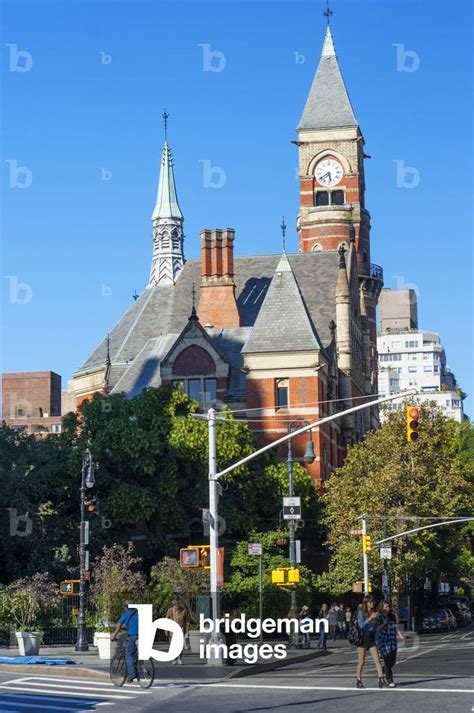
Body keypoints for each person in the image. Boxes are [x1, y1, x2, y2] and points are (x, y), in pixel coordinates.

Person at [355, 594, 385, 689]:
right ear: (366, 603)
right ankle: (358, 680)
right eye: (370, 602)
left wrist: (379, 619)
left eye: (373, 601)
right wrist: (370, 618)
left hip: (372, 638)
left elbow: (377, 626)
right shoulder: (361, 612)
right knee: (361, 661)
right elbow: (361, 625)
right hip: (362, 638)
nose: (372, 603)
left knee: (377, 660)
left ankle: (381, 678)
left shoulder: (375, 612)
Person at [376, 600, 404, 688]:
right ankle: (390, 681)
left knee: (393, 661)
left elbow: (395, 626)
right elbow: (376, 629)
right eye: (385, 607)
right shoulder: (379, 617)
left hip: (392, 640)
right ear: (381, 608)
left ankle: (381, 671)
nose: (387, 609)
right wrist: (383, 623)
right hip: (383, 641)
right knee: (387, 661)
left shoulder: (391, 616)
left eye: (388, 607)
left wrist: (400, 634)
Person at [111, 602, 139, 683]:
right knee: (135, 652)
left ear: (126, 607)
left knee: (129, 655)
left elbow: (119, 625)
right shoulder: (138, 613)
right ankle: (140, 665)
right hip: (142, 635)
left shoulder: (126, 614)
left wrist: (114, 635)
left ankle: (132, 675)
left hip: (133, 636)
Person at [165, 599, 189, 664]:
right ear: (173, 606)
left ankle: (179, 658)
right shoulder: (170, 610)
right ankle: (174, 659)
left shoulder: (184, 611)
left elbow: (186, 621)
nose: (177, 608)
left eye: (178, 607)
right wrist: (166, 630)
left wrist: (187, 630)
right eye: (175, 607)